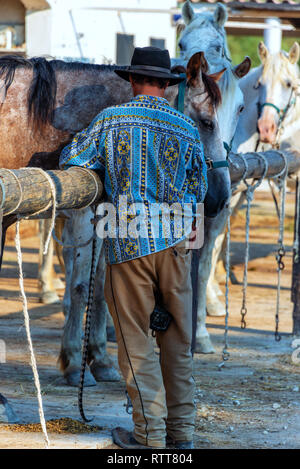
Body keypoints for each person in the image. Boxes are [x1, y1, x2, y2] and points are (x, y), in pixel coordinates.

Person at [59, 46, 207, 449]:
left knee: (135, 344)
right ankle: (183, 437)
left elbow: (73, 157)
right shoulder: (185, 127)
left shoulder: (111, 120)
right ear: (165, 85)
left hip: (129, 243)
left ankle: (151, 439)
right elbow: (200, 188)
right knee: (177, 345)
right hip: (177, 246)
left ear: (133, 81)